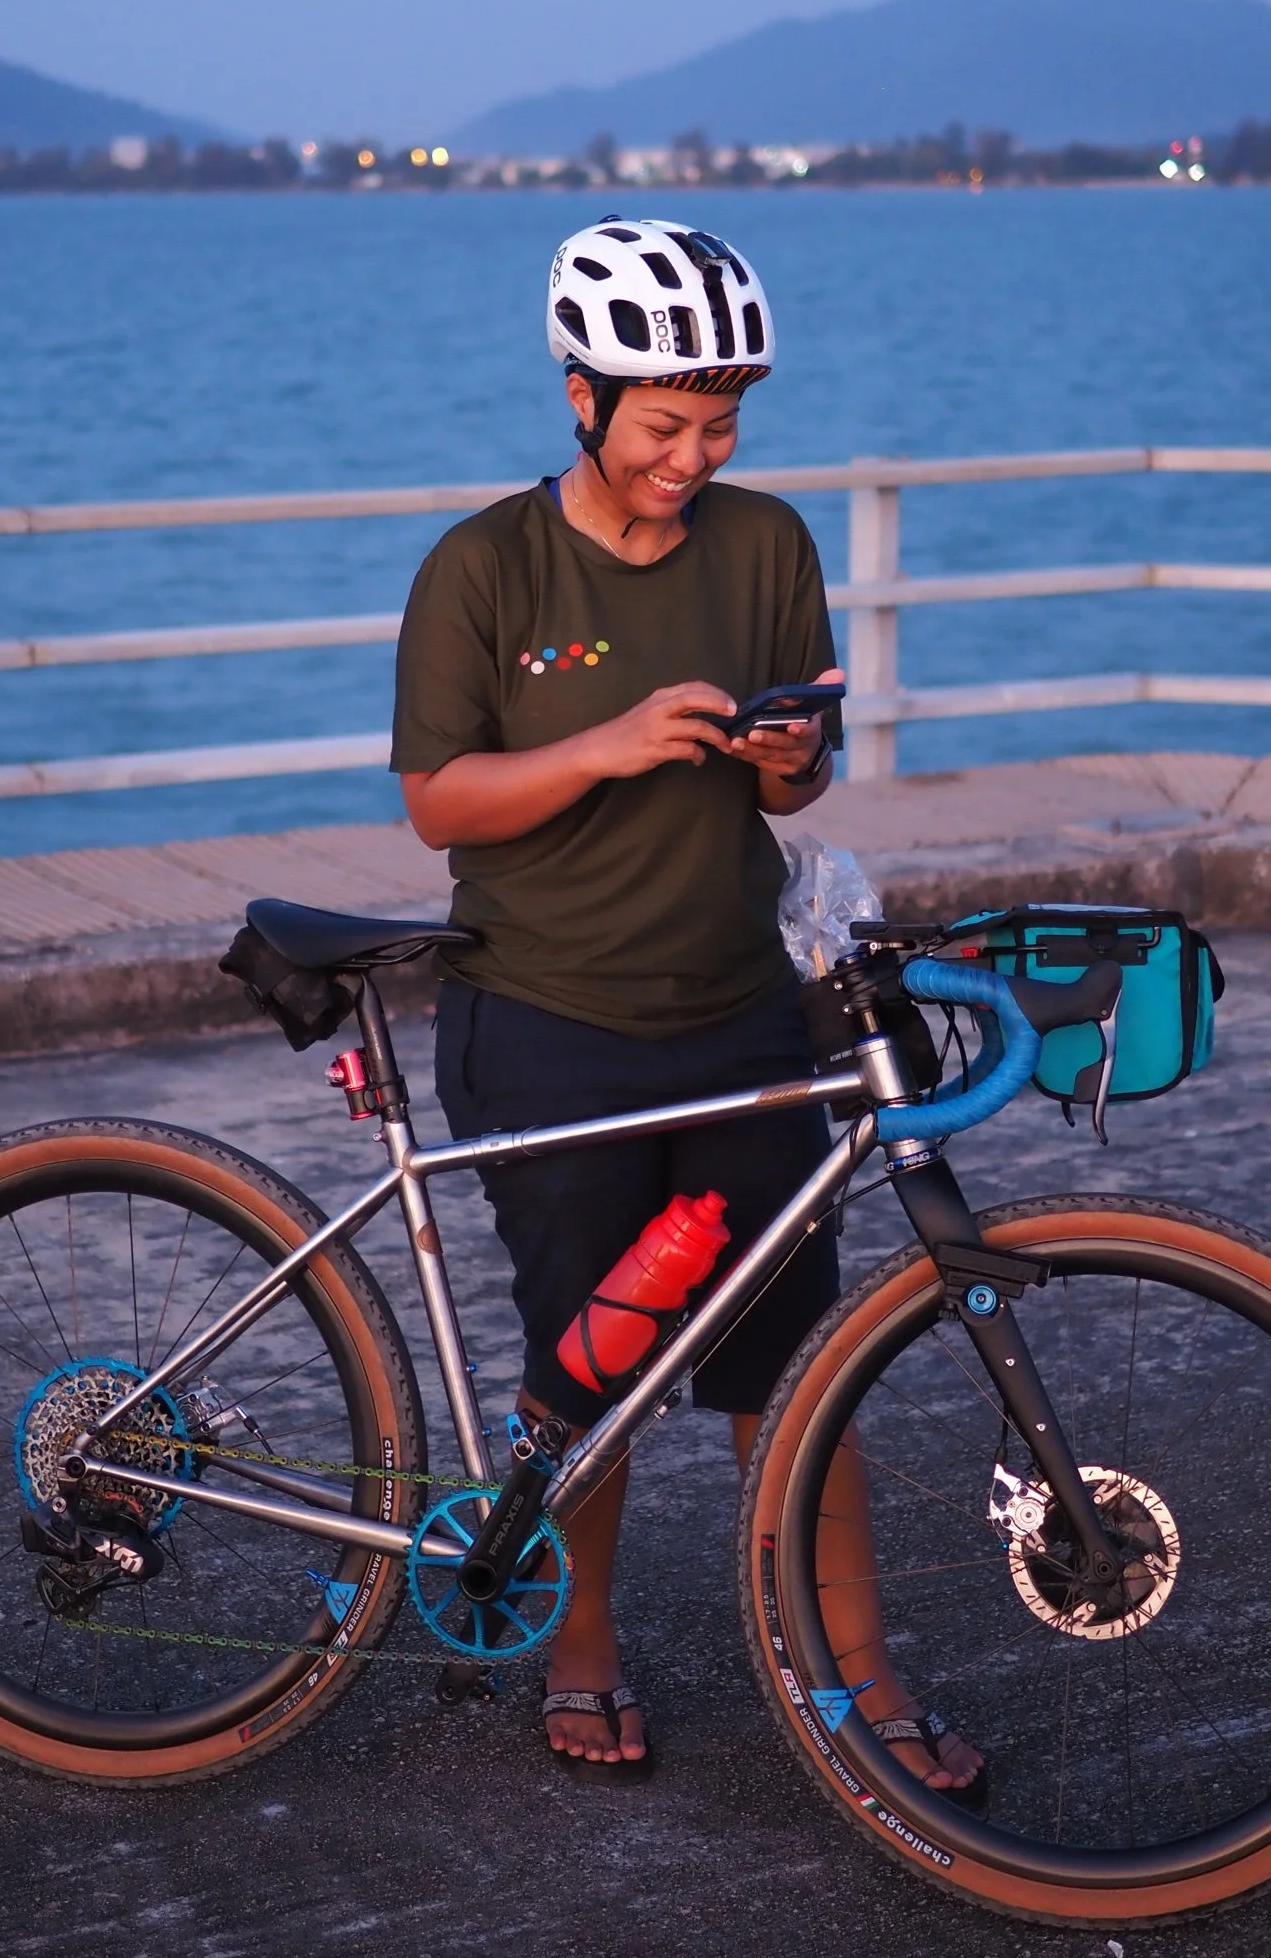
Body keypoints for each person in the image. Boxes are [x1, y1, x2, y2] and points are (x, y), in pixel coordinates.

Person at [390, 217, 983, 1799]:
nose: (691, 457)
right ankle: (578, 1645)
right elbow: (437, 801)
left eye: (718, 427)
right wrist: (604, 744)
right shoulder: (484, 567)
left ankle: (860, 1674)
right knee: (594, 1367)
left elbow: (803, 777)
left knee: (790, 1367)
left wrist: (789, 761)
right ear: (581, 396)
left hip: (740, 1012)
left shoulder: (766, 543)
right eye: (663, 425)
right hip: (544, 1017)